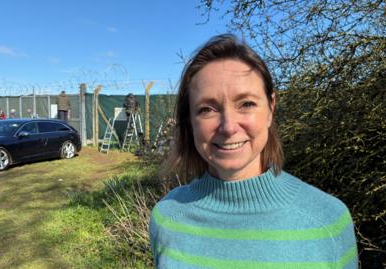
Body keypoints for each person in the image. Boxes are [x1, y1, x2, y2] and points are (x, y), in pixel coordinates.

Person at [149, 34, 358, 268]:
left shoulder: (328, 221)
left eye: (246, 104)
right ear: (189, 121)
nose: (228, 127)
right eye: (207, 109)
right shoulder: (167, 218)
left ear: (270, 109)